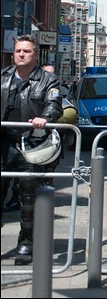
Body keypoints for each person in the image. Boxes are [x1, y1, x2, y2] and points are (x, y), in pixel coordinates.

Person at [1, 35, 63, 265]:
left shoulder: (48, 79)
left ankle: (26, 243)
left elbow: (54, 103)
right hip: (4, 142)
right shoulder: (4, 76)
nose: (21, 54)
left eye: (26, 51)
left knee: (29, 196)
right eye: (18, 50)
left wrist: (44, 118)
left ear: (35, 55)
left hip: (31, 143)